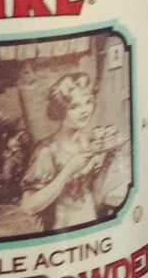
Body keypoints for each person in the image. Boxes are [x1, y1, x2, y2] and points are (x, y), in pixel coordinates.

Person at [20, 72, 109, 231]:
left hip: (89, 218)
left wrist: (108, 159)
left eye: (88, 102)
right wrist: (68, 170)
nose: (85, 110)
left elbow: (97, 193)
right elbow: (28, 207)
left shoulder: (88, 142)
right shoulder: (47, 151)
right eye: (74, 106)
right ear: (60, 110)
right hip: (61, 227)